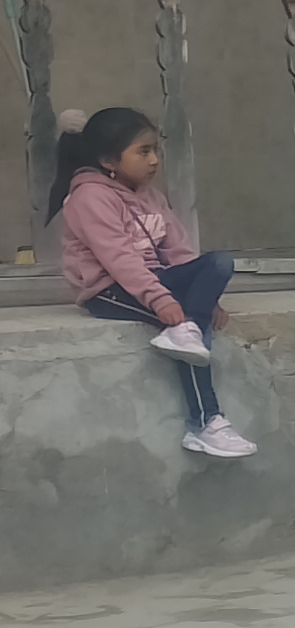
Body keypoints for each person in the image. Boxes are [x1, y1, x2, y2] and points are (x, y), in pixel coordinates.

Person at [52, 107, 253, 459]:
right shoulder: (89, 198)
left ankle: (189, 343)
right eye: (143, 152)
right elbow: (119, 259)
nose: (154, 160)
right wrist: (161, 300)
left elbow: (178, 250)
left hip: (153, 280)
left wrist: (206, 298)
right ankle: (206, 422)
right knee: (186, 325)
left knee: (219, 263)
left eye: (155, 150)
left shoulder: (152, 197)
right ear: (109, 161)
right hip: (109, 289)